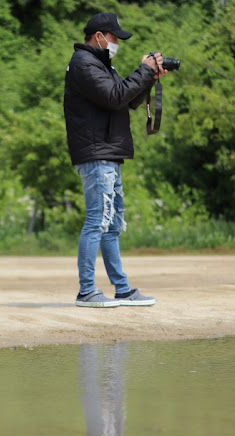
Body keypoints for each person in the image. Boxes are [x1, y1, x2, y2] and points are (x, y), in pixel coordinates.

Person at [64, 12, 168, 307]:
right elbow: (114, 96)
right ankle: (86, 291)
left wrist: (149, 77)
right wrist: (143, 70)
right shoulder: (84, 64)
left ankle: (122, 288)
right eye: (114, 38)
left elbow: (126, 100)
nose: (116, 43)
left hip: (108, 152)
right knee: (97, 221)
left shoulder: (101, 64)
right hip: (97, 154)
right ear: (99, 37)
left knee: (111, 224)